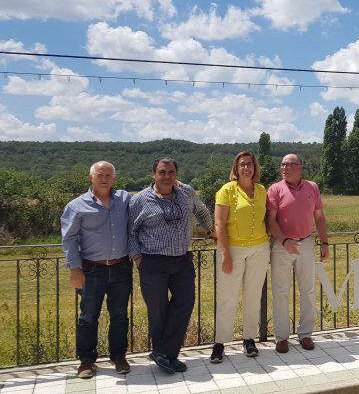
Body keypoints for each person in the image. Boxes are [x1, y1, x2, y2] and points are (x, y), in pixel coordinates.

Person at [128, 158, 213, 374]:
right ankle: (166, 355)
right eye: (162, 172)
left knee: (185, 303)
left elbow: (201, 211)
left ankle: (162, 353)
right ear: (153, 174)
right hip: (152, 262)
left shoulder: (186, 192)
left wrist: (210, 230)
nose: (167, 176)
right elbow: (130, 233)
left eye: (171, 172)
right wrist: (138, 258)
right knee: (158, 309)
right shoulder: (139, 200)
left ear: (176, 174)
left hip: (182, 259)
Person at [61, 161, 133, 379]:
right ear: (91, 177)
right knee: (88, 317)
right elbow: (69, 239)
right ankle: (86, 361)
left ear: (114, 178)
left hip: (121, 267)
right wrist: (74, 268)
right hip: (91, 269)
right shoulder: (76, 206)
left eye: (109, 175)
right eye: (100, 174)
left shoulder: (125, 199)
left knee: (119, 315)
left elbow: (151, 194)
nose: (104, 178)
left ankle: (118, 356)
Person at [209, 151, 270, 363]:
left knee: (253, 296)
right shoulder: (226, 191)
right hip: (233, 249)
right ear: (236, 168)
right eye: (242, 164)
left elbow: (269, 218)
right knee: (228, 297)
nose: (246, 168)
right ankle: (219, 343)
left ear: (255, 168)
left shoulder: (262, 190)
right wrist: (225, 254)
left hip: (260, 249)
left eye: (250, 164)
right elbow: (219, 224)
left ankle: (249, 339)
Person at [267, 154, 329, 353]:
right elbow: (271, 221)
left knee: (308, 290)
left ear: (299, 167)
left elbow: (319, 217)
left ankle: (305, 334)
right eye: (282, 164)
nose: (284, 168)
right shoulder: (275, 189)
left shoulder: (312, 187)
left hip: (306, 243)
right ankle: (282, 337)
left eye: (289, 165)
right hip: (281, 245)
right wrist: (285, 242)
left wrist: (325, 242)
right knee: (280, 292)